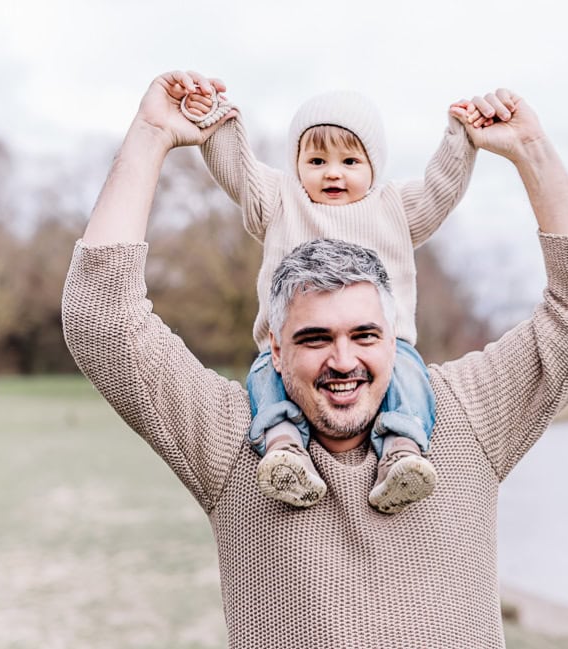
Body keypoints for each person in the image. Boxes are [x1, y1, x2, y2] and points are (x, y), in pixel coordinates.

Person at [61, 70, 568, 647]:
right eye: (312, 339)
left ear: (394, 334)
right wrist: (152, 133)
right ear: (275, 348)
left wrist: (530, 150)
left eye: (365, 334)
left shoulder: (463, 415)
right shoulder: (233, 440)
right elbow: (102, 321)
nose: (342, 360)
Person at [191, 83, 483, 513]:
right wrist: (215, 120)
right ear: (296, 166)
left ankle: (401, 451)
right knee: (263, 379)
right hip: (288, 352)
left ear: (373, 166)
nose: (333, 173)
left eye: (349, 161)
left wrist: (461, 137)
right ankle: (285, 448)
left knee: (411, 377)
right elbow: (239, 171)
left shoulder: (393, 208)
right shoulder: (280, 200)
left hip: (387, 346)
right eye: (316, 161)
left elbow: (441, 189)